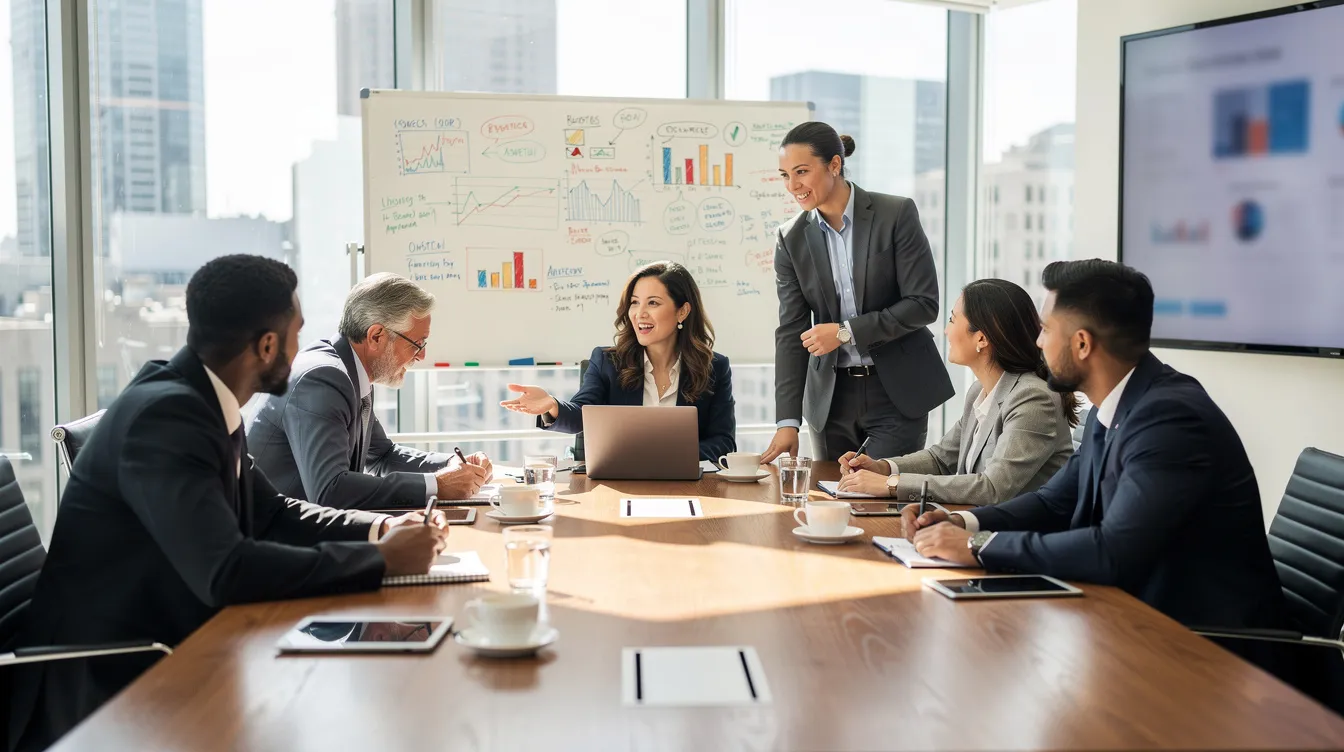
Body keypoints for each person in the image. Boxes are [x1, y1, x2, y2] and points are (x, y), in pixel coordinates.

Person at [7, 256, 448, 752]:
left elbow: (275, 513)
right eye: (297, 334)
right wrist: (380, 561)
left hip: (180, 643)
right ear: (266, 345)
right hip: (110, 681)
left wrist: (380, 532)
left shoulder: (204, 401)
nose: (304, 350)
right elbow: (226, 570)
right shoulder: (167, 416)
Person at [901, 259, 1284, 630]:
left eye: (1046, 331)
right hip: (1130, 617)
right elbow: (1055, 501)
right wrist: (962, 521)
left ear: (1082, 343)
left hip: (1205, 645)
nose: (1037, 342)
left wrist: (976, 545)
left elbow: (1112, 551)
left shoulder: (1169, 421)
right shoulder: (1119, 404)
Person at [761, 122, 954, 464]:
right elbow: (791, 331)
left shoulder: (895, 214)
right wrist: (787, 421)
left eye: (802, 172)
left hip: (895, 391)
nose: (793, 186)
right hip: (830, 400)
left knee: (882, 501)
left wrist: (845, 332)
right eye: (785, 175)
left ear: (834, 165)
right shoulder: (790, 239)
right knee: (833, 502)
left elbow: (923, 303)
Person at [247, 272, 493, 510]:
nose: (423, 355)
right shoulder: (323, 379)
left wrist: (451, 465)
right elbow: (330, 491)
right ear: (376, 336)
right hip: (275, 539)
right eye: (418, 344)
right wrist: (436, 485)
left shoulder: (351, 370)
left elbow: (383, 455)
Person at [837, 279, 1078, 504]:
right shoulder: (980, 391)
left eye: (952, 320)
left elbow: (993, 488)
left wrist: (891, 484)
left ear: (981, 338)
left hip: (1019, 537)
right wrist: (883, 468)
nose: (946, 331)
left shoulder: (1033, 399)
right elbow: (941, 459)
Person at [501, 261, 736, 461]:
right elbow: (582, 413)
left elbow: (724, 442)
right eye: (635, 302)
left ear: (682, 311)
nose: (639, 313)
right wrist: (552, 404)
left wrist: (670, 456)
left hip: (688, 486)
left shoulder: (714, 368)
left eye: (652, 303)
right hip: (619, 485)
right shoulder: (607, 362)